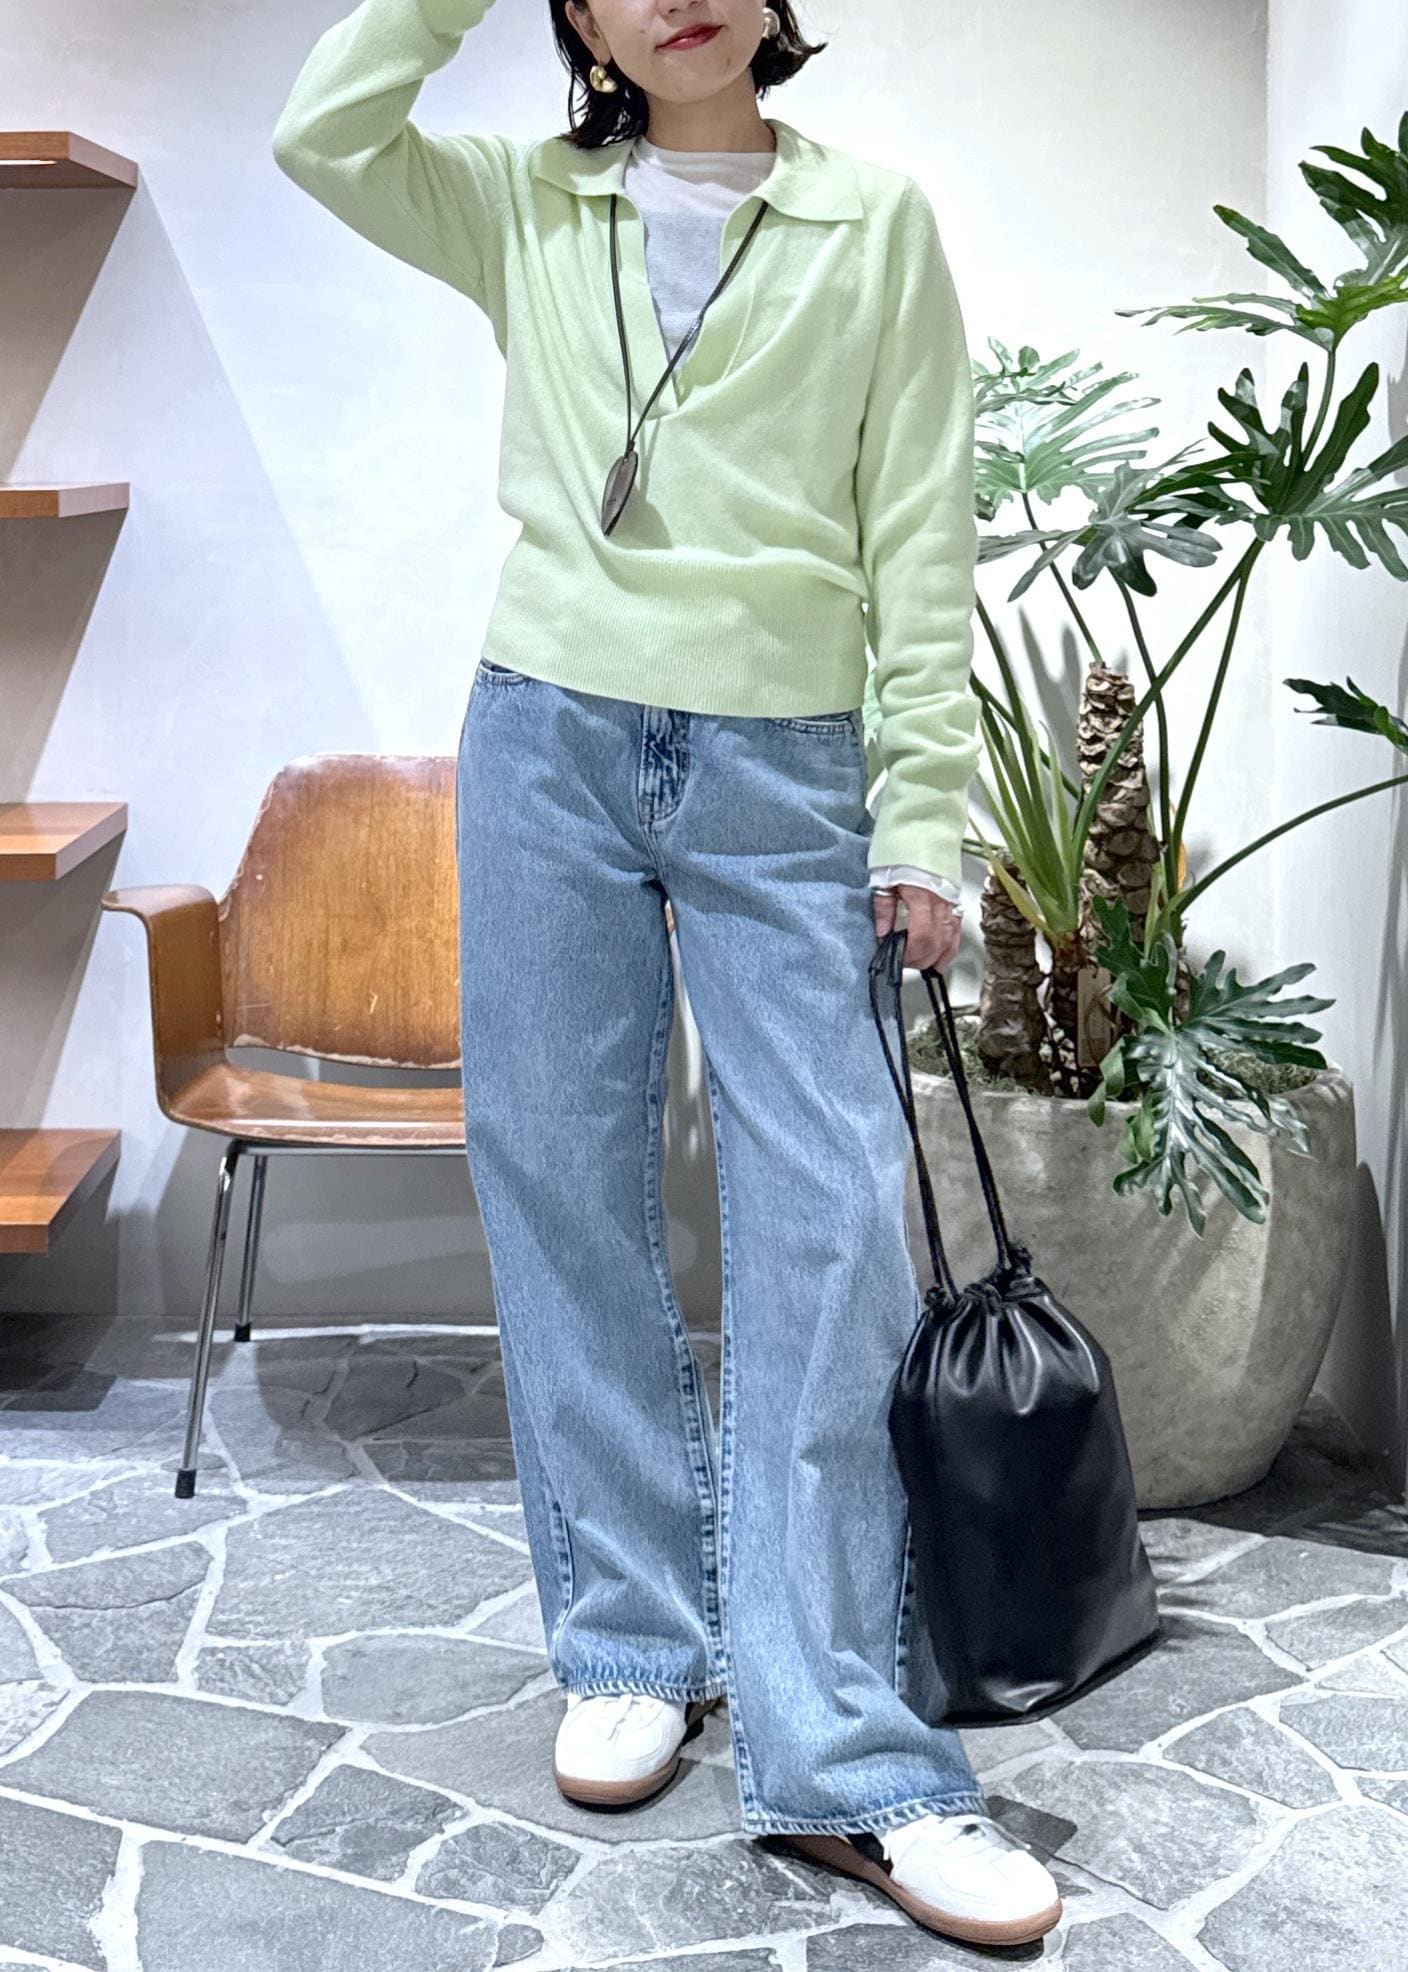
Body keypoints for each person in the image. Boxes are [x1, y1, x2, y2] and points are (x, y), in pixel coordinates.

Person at [272, 0, 1062, 1948]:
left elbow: (919, 527)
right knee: (555, 1170)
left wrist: (923, 820)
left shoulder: (871, 223)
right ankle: (632, 1634)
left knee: (830, 1223)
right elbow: (324, 132)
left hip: (790, 762)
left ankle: (846, 1750)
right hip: (547, 728)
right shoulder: (523, 204)